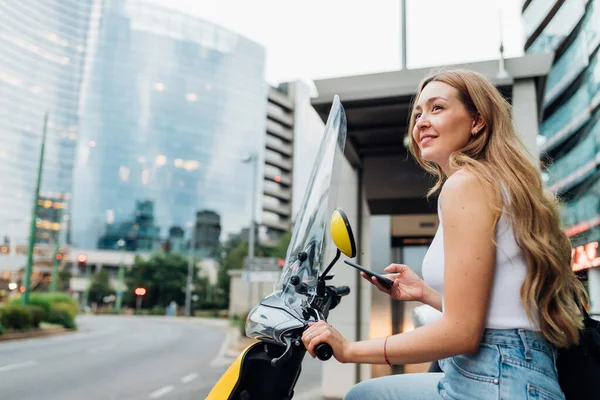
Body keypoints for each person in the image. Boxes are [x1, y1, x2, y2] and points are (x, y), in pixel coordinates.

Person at [301, 69, 588, 399]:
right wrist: (424, 292)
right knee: (366, 395)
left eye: (437, 108)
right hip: (509, 370)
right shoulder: (494, 184)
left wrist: (349, 349)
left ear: (477, 120)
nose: (421, 121)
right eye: (418, 113)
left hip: (496, 378)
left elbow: (462, 333)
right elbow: (501, 310)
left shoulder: (466, 185)